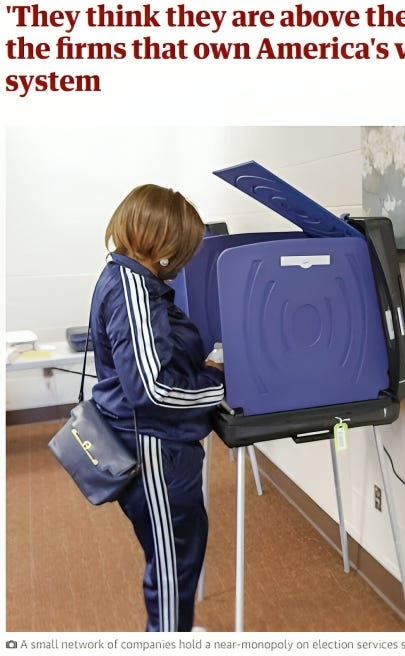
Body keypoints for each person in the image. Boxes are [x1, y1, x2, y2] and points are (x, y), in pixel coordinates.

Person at [89, 184, 225, 631]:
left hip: (153, 443)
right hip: (154, 450)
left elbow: (151, 360)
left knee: (179, 550)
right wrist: (221, 385)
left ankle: (173, 630)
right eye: (184, 249)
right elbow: (154, 389)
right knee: (171, 564)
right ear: (165, 247)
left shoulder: (127, 276)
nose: (186, 260)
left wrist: (196, 364)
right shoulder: (134, 291)